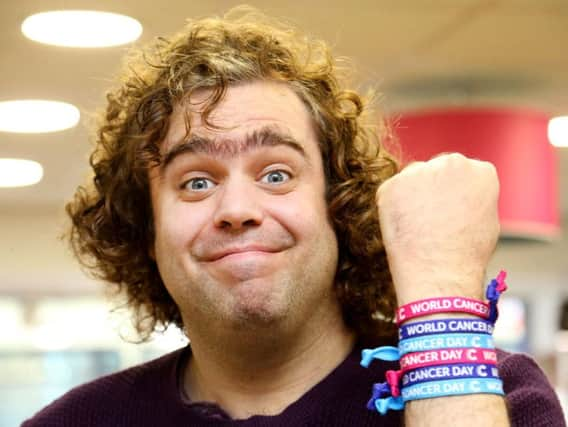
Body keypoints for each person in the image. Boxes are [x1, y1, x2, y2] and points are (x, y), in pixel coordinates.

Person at [23, 6, 565, 427]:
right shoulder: (76, 420)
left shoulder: (497, 393)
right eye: (196, 182)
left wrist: (440, 297)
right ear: (147, 231)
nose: (236, 210)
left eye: (276, 174)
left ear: (341, 205)